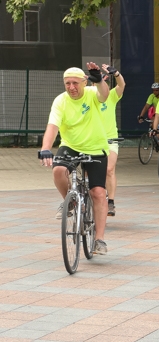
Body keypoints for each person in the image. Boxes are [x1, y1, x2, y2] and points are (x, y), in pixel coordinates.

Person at [39, 63, 111, 255]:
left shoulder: (91, 92)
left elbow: (104, 95)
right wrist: (46, 148)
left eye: (75, 83)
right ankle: (70, 201)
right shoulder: (60, 101)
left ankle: (99, 239)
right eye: (67, 83)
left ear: (84, 82)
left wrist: (98, 80)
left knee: (97, 192)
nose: (71, 87)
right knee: (58, 170)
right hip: (70, 146)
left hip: (96, 148)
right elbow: (52, 126)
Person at [98, 64, 125, 217]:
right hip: (92, 141)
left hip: (110, 139)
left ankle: (111, 202)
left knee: (109, 169)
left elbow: (122, 85)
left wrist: (116, 74)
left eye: (103, 82)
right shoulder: (89, 97)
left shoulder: (112, 96)